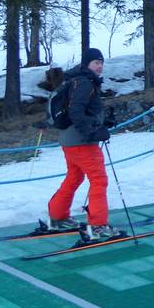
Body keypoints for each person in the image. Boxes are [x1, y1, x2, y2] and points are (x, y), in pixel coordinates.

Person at [47, 48, 115, 240]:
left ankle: (58, 217)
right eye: (96, 63)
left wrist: (102, 122)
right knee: (99, 179)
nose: (100, 66)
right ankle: (98, 225)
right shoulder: (84, 82)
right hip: (81, 142)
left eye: (101, 63)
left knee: (74, 177)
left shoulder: (76, 80)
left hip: (69, 139)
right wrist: (92, 132)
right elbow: (76, 111)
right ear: (87, 64)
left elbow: (81, 111)